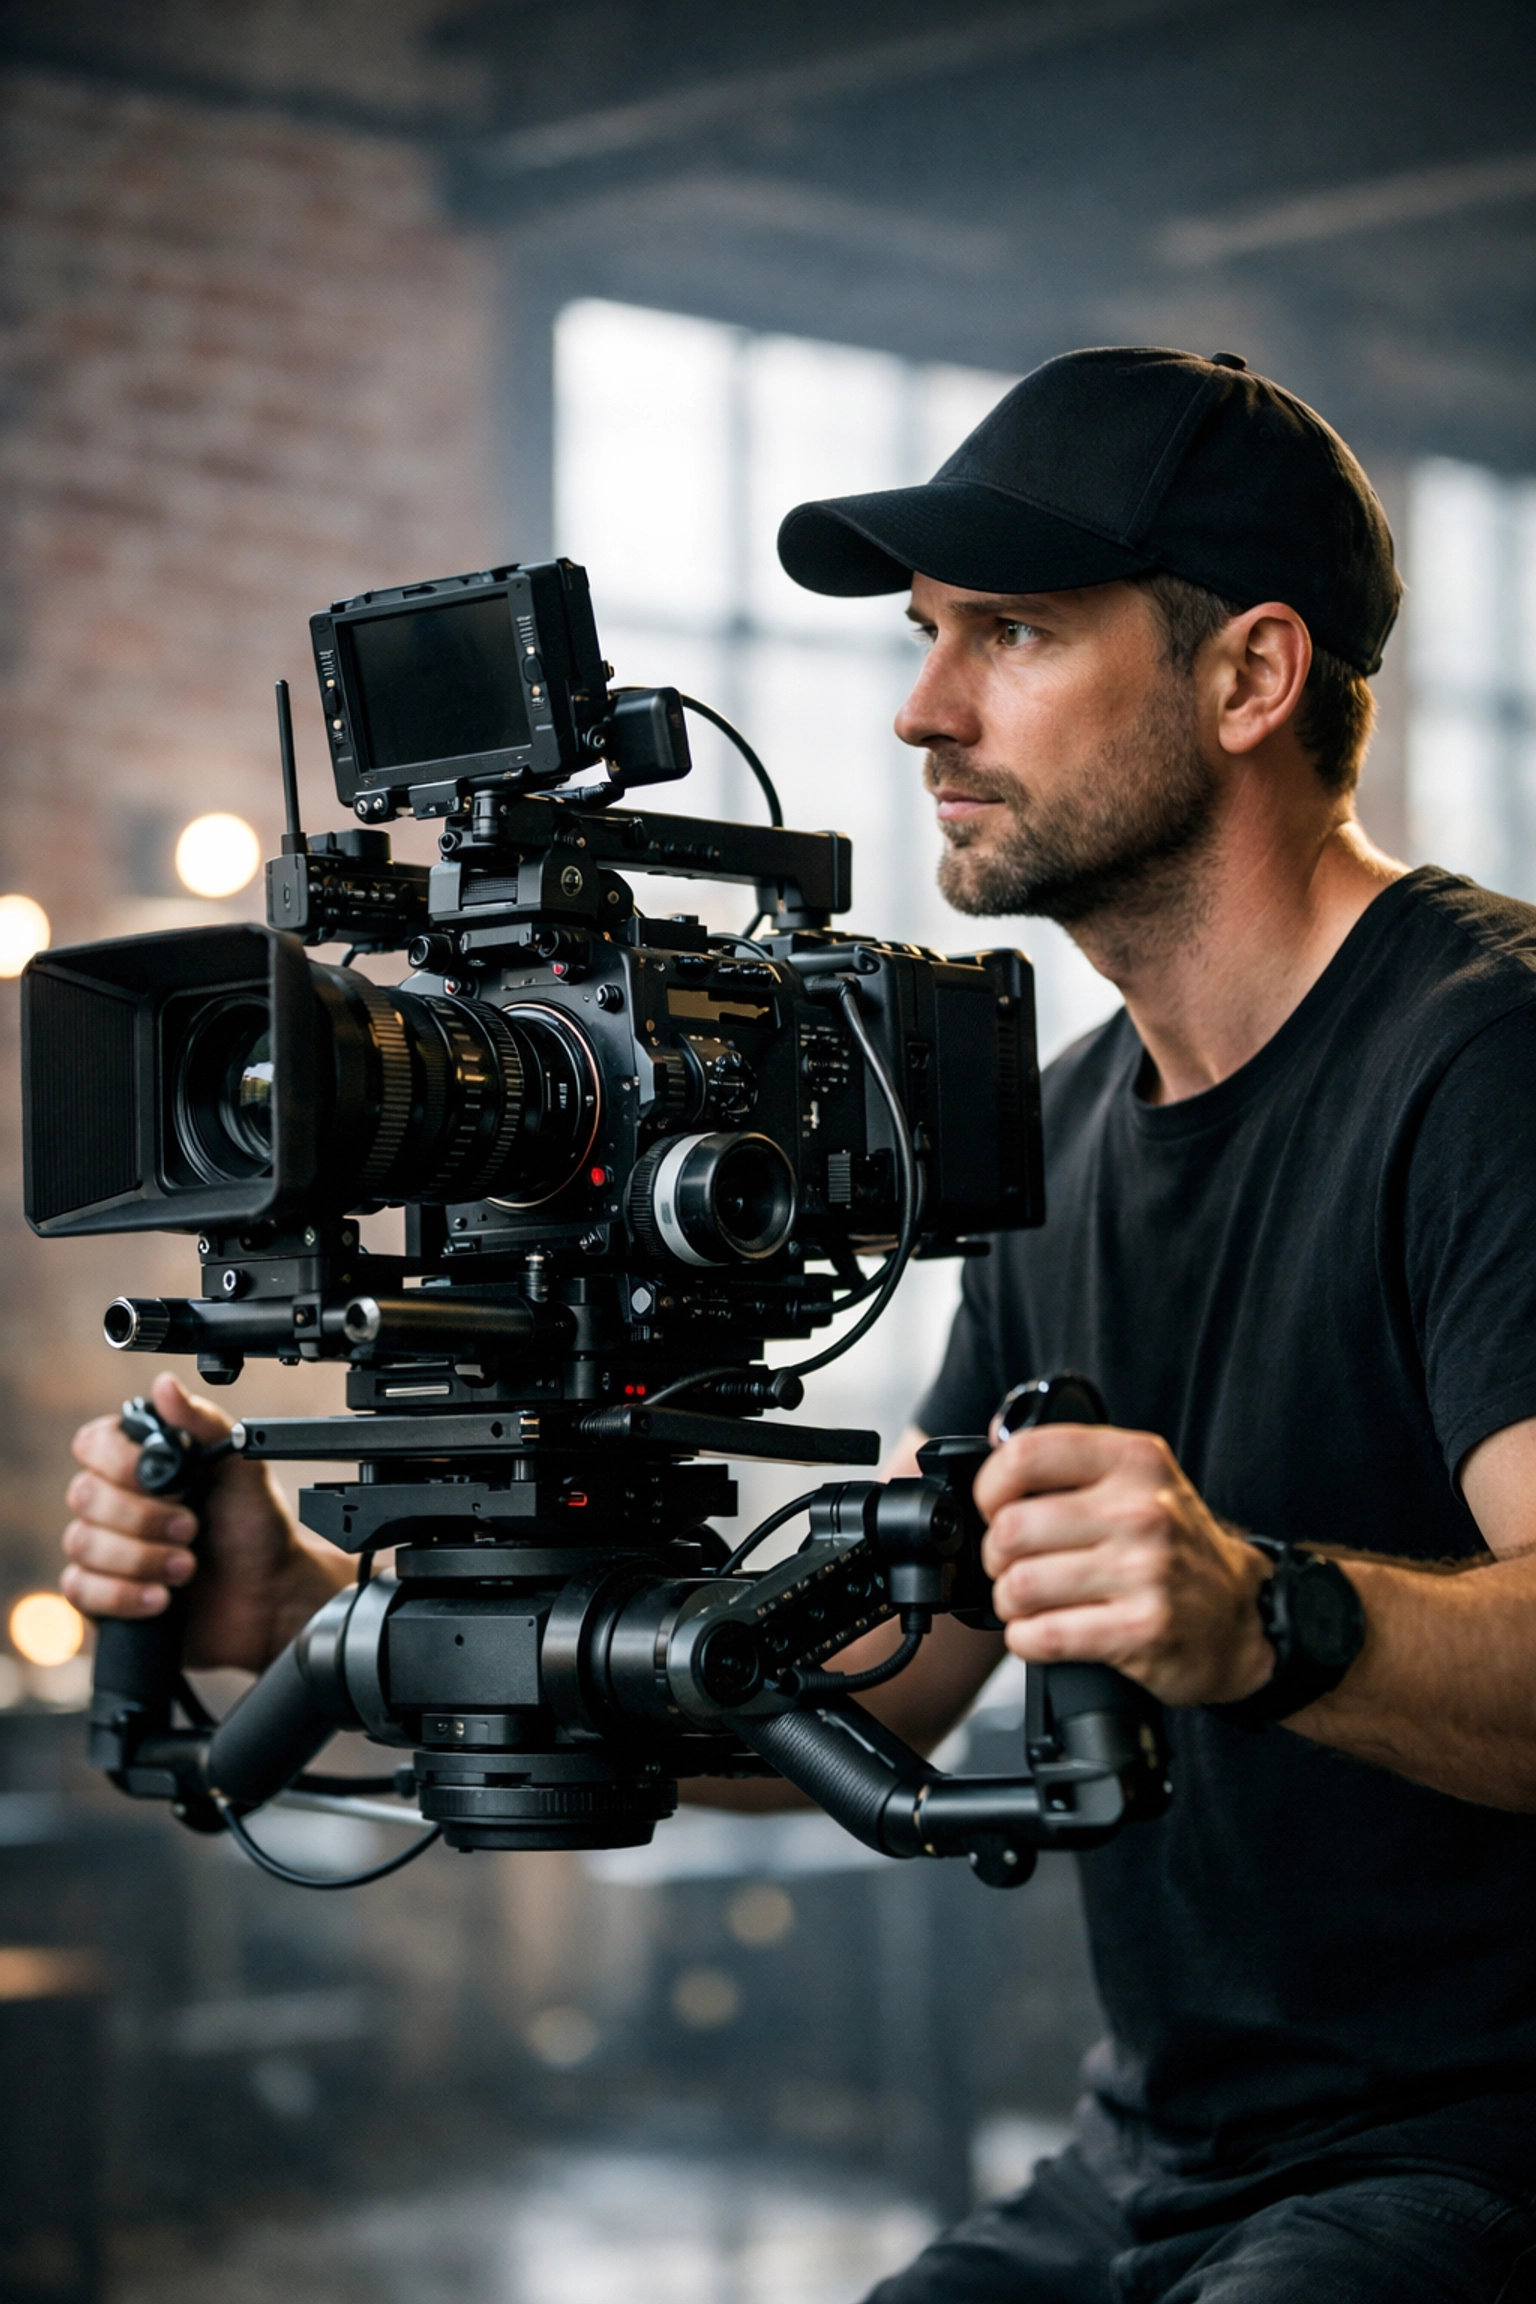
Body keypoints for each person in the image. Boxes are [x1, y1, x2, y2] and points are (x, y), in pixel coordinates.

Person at [60, 347, 1536, 2299]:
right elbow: (889, 1684)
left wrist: (1261, 1613)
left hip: (1477, 2153)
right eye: (927, 636)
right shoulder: (1064, 1133)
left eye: (1008, 633)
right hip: (1154, 2160)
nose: (926, 708)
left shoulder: (1483, 1064)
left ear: (1250, 676)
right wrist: (313, 1608)